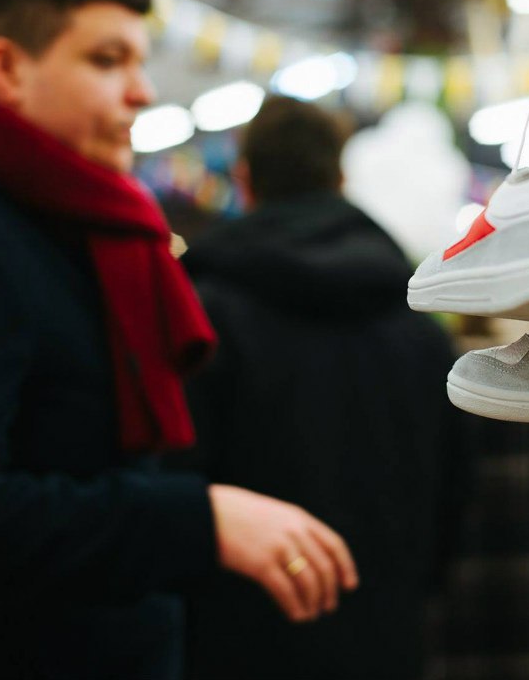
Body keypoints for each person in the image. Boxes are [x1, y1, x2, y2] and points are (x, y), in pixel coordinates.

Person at [0, 0, 357, 679]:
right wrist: (197, 520)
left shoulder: (66, 228)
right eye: (107, 60)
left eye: (138, 61)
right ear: (6, 67)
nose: (141, 90)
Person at [172, 96, 466, 680]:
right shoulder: (419, 330)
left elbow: (180, 479)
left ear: (243, 179)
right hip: (385, 632)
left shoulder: (200, 321)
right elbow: (454, 490)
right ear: (339, 177)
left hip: (233, 636)